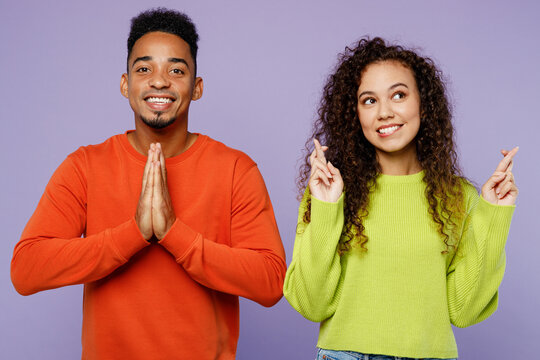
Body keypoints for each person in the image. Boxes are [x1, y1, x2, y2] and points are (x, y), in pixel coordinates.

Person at [11, 8, 286, 360]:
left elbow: (271, 282)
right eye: (144, 69)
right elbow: (26, 270)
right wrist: (133, 235)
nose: (159, 81)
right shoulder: (84, 166)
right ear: (126, 84)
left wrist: (174, 234)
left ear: (196, 88)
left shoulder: (236, 169)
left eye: (176, 70)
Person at [283, 37, 517, 360]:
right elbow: (312, 303)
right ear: (354, 114)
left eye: (398, 95)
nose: (385, 112)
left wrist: (494, 215)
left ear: (424, 103)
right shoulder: (331, 191)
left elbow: (465, 311)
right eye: (369, 101)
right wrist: (324, 208)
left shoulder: (458, 197)